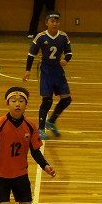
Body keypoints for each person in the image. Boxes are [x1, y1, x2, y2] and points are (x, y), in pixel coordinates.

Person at [23, 11, 72, 140]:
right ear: (46, 23)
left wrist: (66, 60)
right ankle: (40, 129)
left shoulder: (63, 36)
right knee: (47, 100)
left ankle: (51, 121)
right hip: (45, 70)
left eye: (57, 21)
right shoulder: (41, 37)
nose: (55, 24)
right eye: (52, 21)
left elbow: (69, 53)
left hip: (58, 71)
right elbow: (31, 55)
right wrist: (27, 70)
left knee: (67, 99)